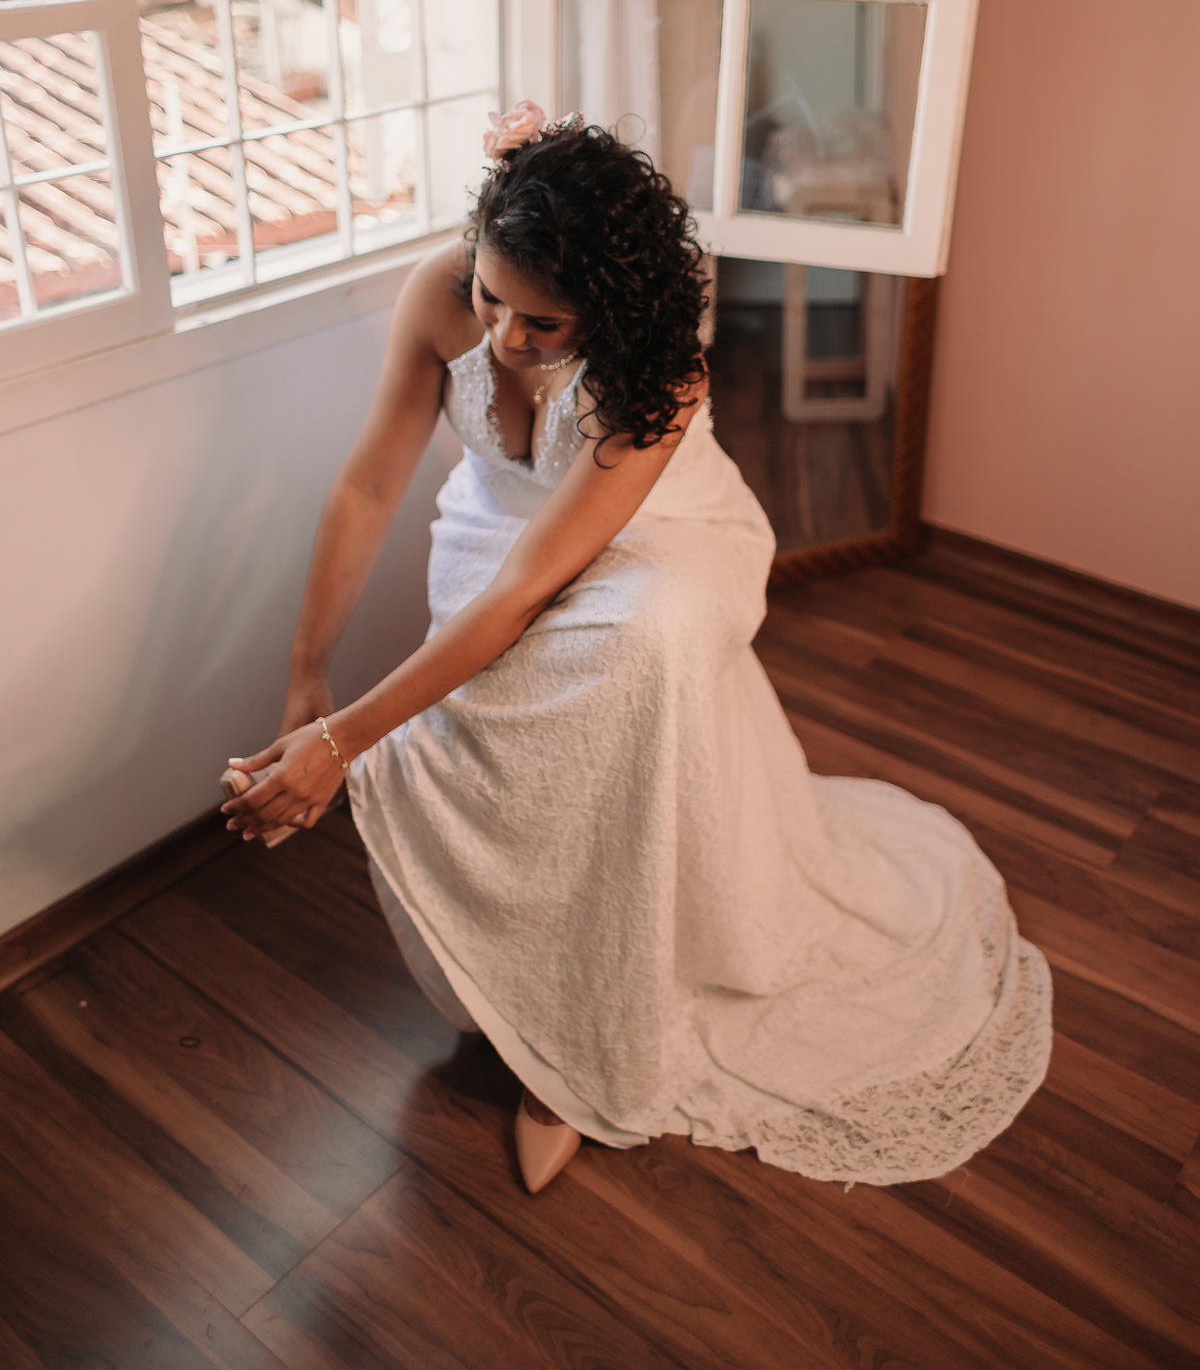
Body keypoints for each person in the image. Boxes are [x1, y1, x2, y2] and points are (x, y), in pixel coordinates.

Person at [221, 102, 1053, 1194]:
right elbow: (370, 485)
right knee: (469, 737)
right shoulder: (439, 295)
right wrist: (309, 683)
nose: (504, 338)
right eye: (491, 297)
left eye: (544, 322)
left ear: (608, 308)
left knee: (627, 666)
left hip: (665, 539)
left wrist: (345, 741)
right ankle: (515, 985)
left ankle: (584, 1037)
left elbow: (530, 593)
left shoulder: (662, 374)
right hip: (497, 528)